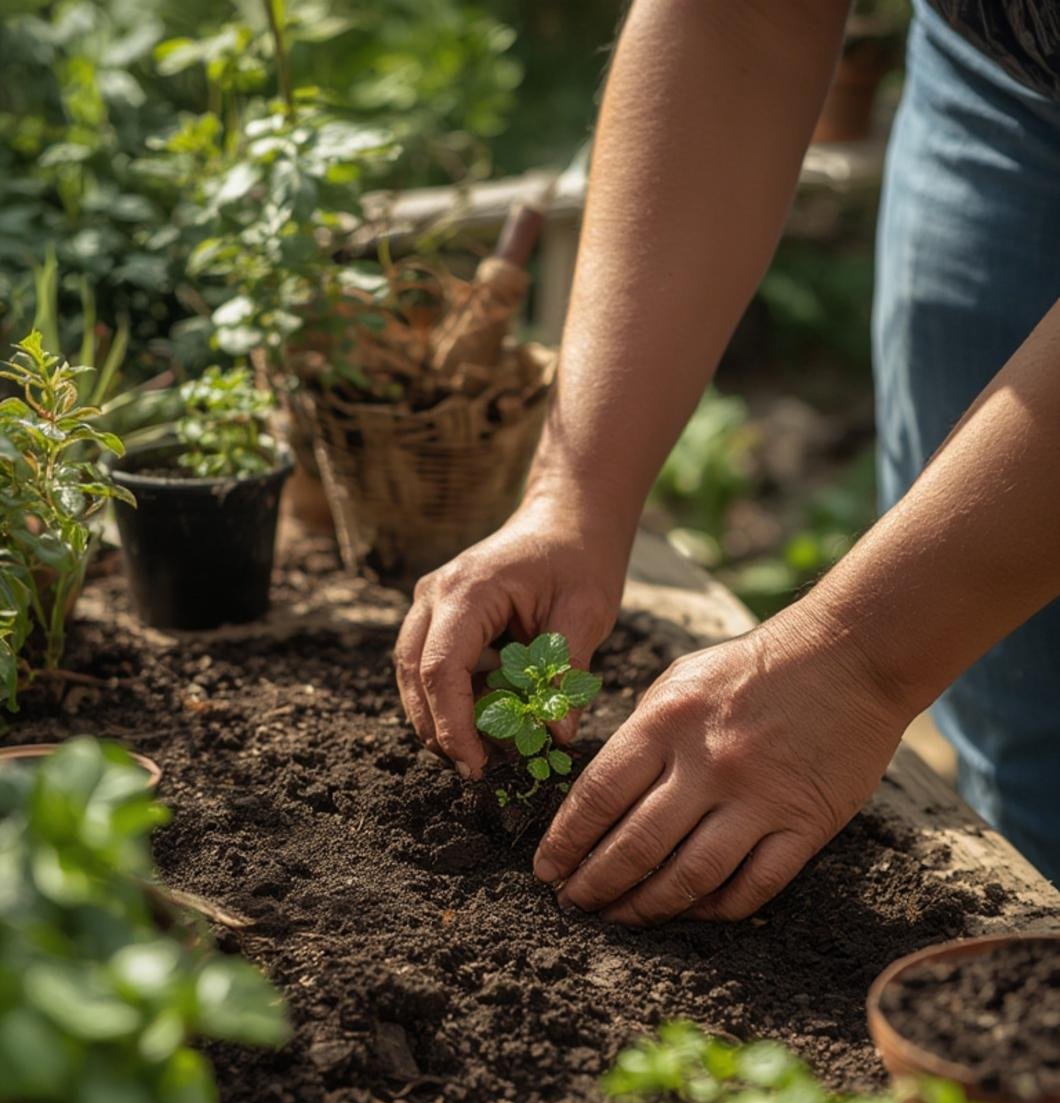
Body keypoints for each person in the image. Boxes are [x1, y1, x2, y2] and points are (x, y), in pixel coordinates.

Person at [395, 0, 1060, 926]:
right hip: (1007, 75)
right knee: (1022, 701)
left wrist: (855, 664)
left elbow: (865, 661)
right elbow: (737, 19)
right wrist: (574, 494)